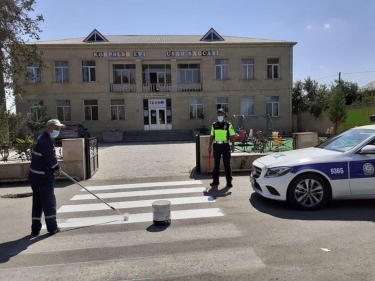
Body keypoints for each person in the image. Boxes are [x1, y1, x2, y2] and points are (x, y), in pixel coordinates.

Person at [29, 119, 65, 236]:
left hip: (35, 176)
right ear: (50, 128)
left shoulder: (41, 138)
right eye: (57, 128)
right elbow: (51, 160)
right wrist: (57, 168)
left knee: (38, 203)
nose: (58, 131)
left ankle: (35, 229)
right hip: (43, 177)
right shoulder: (45, 141)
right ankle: (52, 227)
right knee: (49, 202)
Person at [208, 108, 236, 188]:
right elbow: (211, 136)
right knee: (216, 164)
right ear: (217, 115)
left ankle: (229, 182)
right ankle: (215, 181)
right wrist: (209, 146)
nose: (220, 116)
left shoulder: (228, 125)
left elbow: (232, 135)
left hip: (225, 146)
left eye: (221, 114)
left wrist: (233, 145)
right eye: (219, 114)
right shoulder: (214, 125)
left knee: (227, 164)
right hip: (216, 146)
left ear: (224, 115)